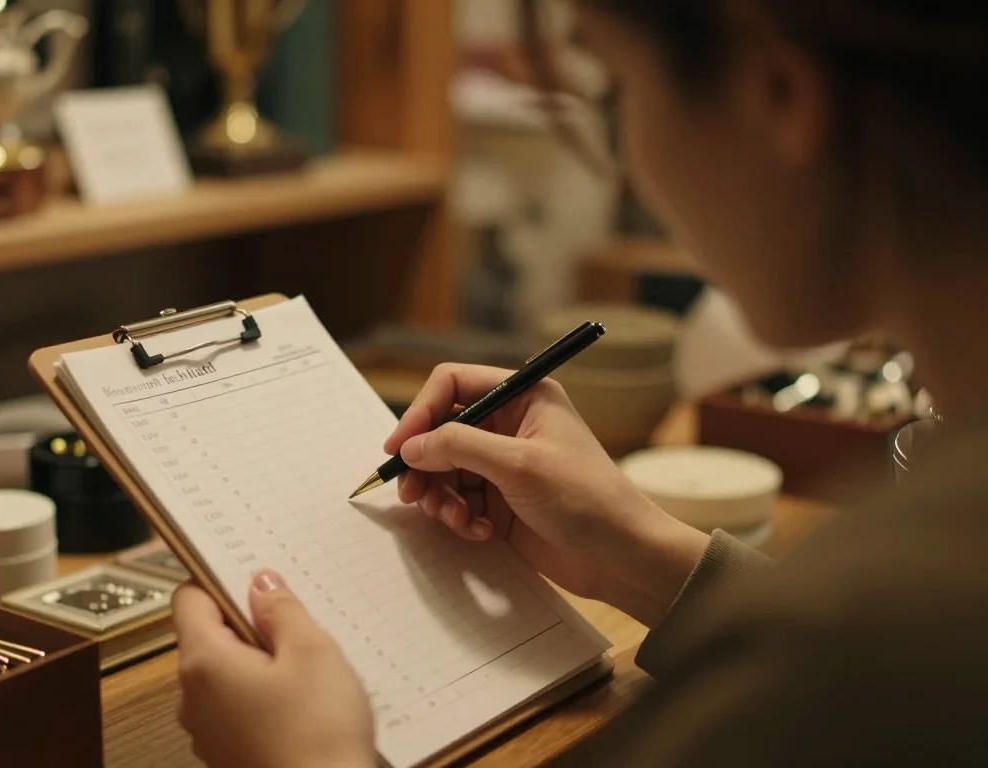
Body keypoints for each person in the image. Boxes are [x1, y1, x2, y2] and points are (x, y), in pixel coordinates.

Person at [170, 1, 988, 765]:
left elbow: (854, 665)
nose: (628, 164)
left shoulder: (872, 624)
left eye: (614, 85)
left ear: (779, 94)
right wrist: (640, 554)